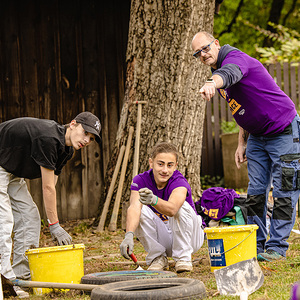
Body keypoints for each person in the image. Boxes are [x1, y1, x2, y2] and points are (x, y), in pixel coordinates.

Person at [191, 31, 300, 262]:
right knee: (256, 193)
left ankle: (277, 249)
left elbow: (229, 74)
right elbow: (241, 109)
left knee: (285, 190)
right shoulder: (217, 73)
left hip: (283, 130)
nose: (203, 54)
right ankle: (258, 245)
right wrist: (242, 142)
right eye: (198, 53)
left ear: (216, 43)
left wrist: (212, 82)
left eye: (206, 48)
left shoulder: (235, 60)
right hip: (257, 137)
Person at [0, 112, 101, 298]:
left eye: (91, 138)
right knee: (4, 220)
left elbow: (51, 185)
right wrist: (54, 225)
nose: (87, 140)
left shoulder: (67, 150)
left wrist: (51, 220)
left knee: (29, 215)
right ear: (73, 124)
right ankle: (5, 279)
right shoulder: (49, 138)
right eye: (85, 133)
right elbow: (47, 188)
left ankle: (22, 276)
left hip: (10, 168)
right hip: (2, 163)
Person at [120, 142, 204, 273]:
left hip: (190, 239)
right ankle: (158, 257)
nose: (165, 170)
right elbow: (134, 207)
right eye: (160, 164)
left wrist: (154, 200)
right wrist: (129, 235)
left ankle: (183, 258)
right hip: (164, 237)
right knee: (139, 210)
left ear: (175, 166)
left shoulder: (179, 182)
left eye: (170, 165)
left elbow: (172, 210)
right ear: (151, 163)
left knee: (182, 207)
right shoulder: (140, 180)